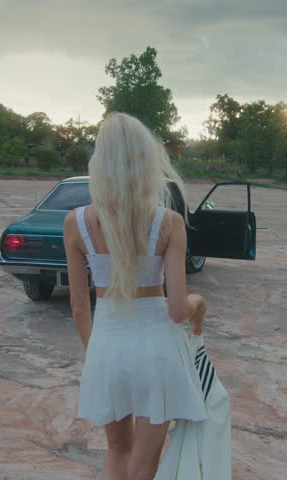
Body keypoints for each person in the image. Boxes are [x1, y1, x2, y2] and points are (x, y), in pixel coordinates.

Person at [63, 112, 208, 480]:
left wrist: (95, 352)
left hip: (107, 347)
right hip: (157, 350)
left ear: (100, 162)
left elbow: (80, 306)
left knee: (116, 450)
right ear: (146, 162)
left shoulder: (76, 223)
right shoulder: (168, 222)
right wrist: (198, 305)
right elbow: (177, 310)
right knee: (144, 466)